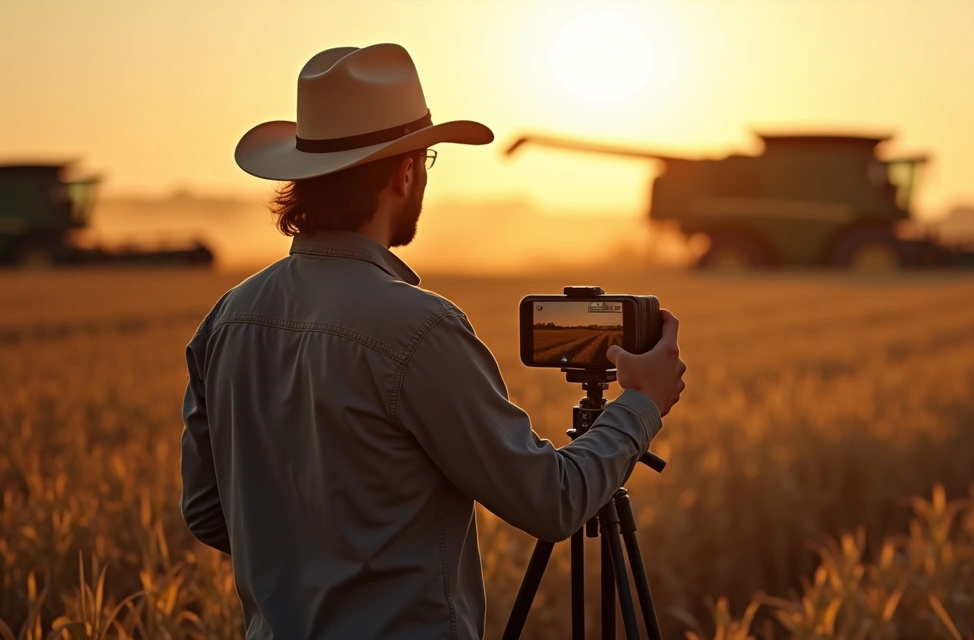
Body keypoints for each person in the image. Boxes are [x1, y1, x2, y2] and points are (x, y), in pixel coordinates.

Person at [179, 43, 686, 639]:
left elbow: (209, 514)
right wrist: (641, 405)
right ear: (405, 170)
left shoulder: (227, 318)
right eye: (428, 160)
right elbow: (552, 503)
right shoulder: (420, 330)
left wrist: (310, 553)